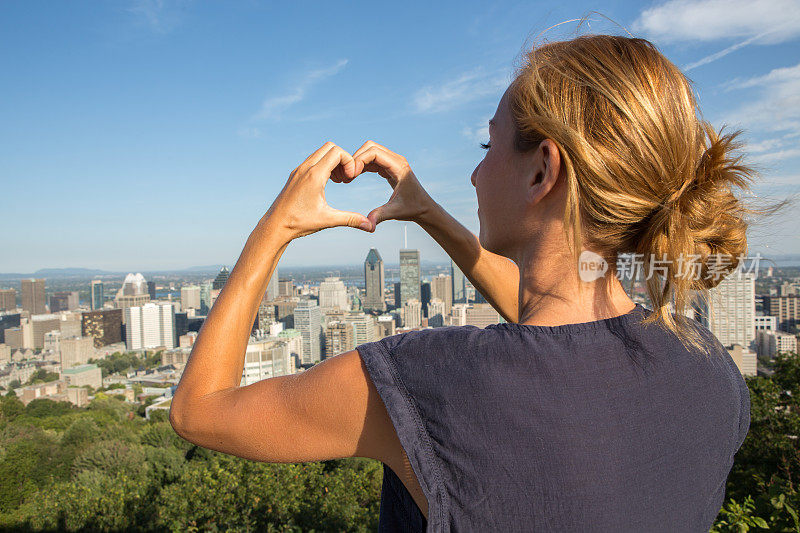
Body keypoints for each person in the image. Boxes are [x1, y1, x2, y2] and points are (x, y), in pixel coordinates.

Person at [169, 34, 753, 532]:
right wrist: (427, 211)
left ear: (543, 170)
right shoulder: (708, 370)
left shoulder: (429, 381)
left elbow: (200, 412)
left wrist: (274, 229)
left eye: (487, 145)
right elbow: (552, 337)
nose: (474, 173)